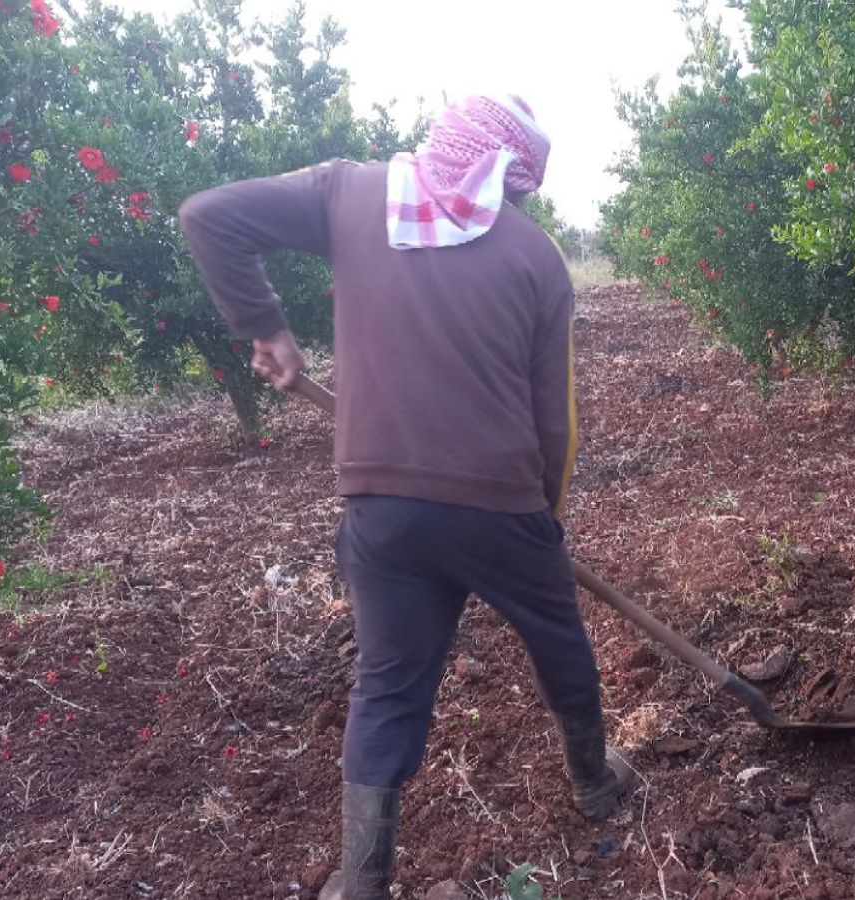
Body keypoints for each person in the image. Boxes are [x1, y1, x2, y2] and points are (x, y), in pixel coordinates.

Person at [179, 94, 633, 900]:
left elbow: (210, 215)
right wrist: (544, 529)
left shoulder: (347, 195)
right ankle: (596, 782)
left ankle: (362, 882)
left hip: (381, 510)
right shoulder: (535, 258)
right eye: (520, 187)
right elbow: (554, 419)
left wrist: (267, 327)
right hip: (501, 507)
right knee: (559, 640)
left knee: (389, 685)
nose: (518, 201)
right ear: (509, 172)